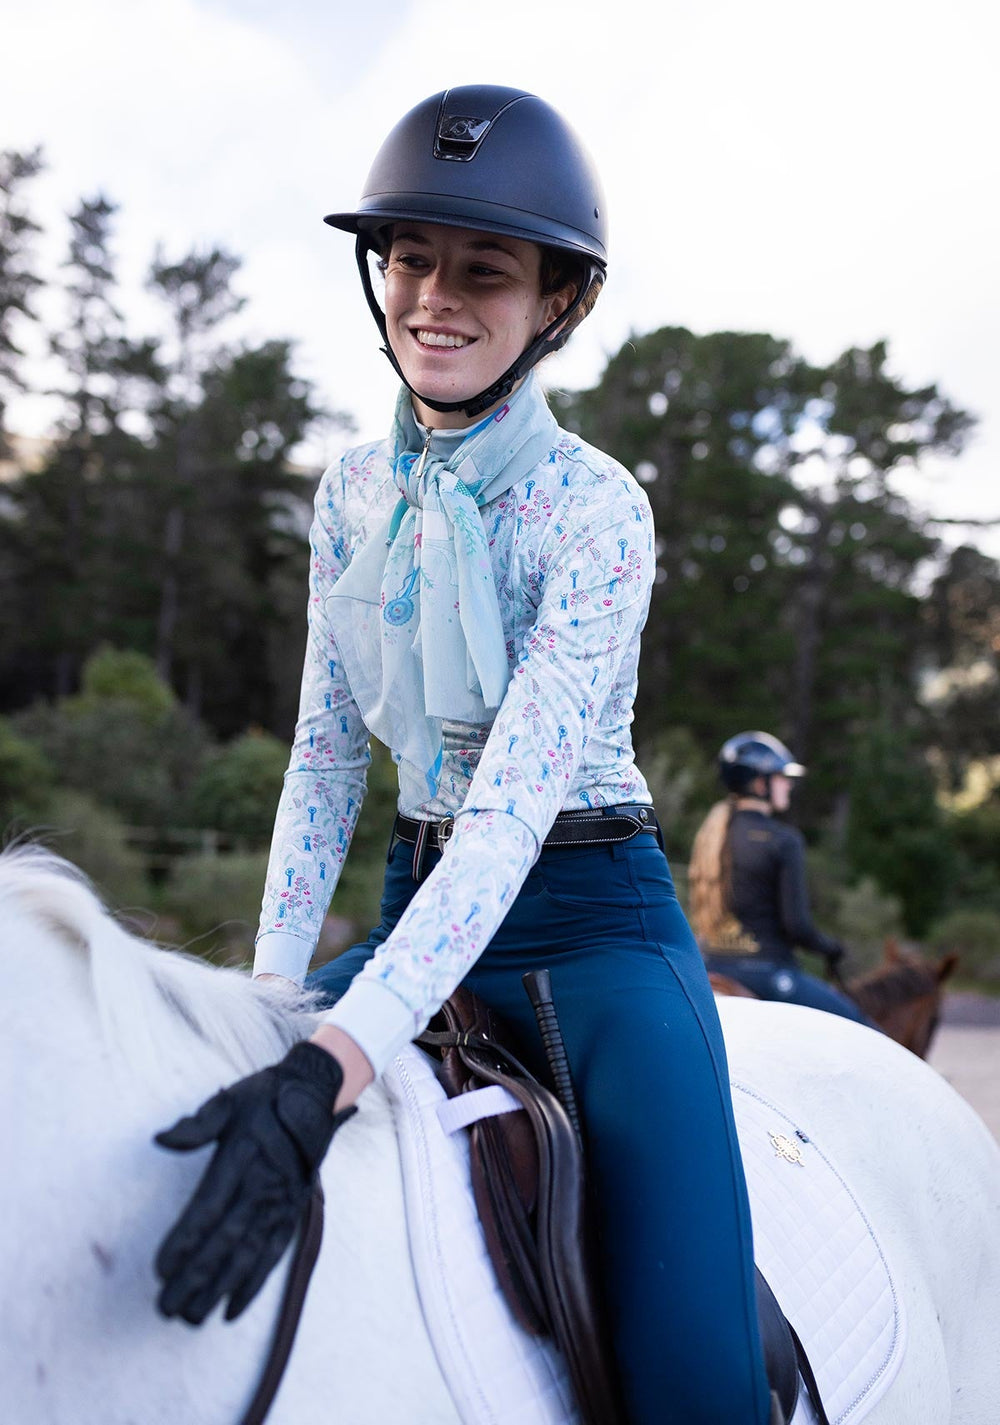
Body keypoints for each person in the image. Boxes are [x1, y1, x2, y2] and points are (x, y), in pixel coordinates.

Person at [153, 86, 772, 1425]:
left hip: (593, 932)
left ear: (556, 301)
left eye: (481, 267)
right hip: (410, 900)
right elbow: (323, 764)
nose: (431, 294)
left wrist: (332, 1066)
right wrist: (273, 1002)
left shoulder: (601, 510)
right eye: (408, 258)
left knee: (695, 1381)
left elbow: (504, 823)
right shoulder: (351, 494)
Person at [690, 730, 870, 1024]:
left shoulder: (711, 835)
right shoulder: (783, 840)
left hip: (708, 966)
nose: (788, 785)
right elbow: (797, 926)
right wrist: (831, 948)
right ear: (760, 784)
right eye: (782, 777)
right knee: (864, 1029)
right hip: (767, 972)